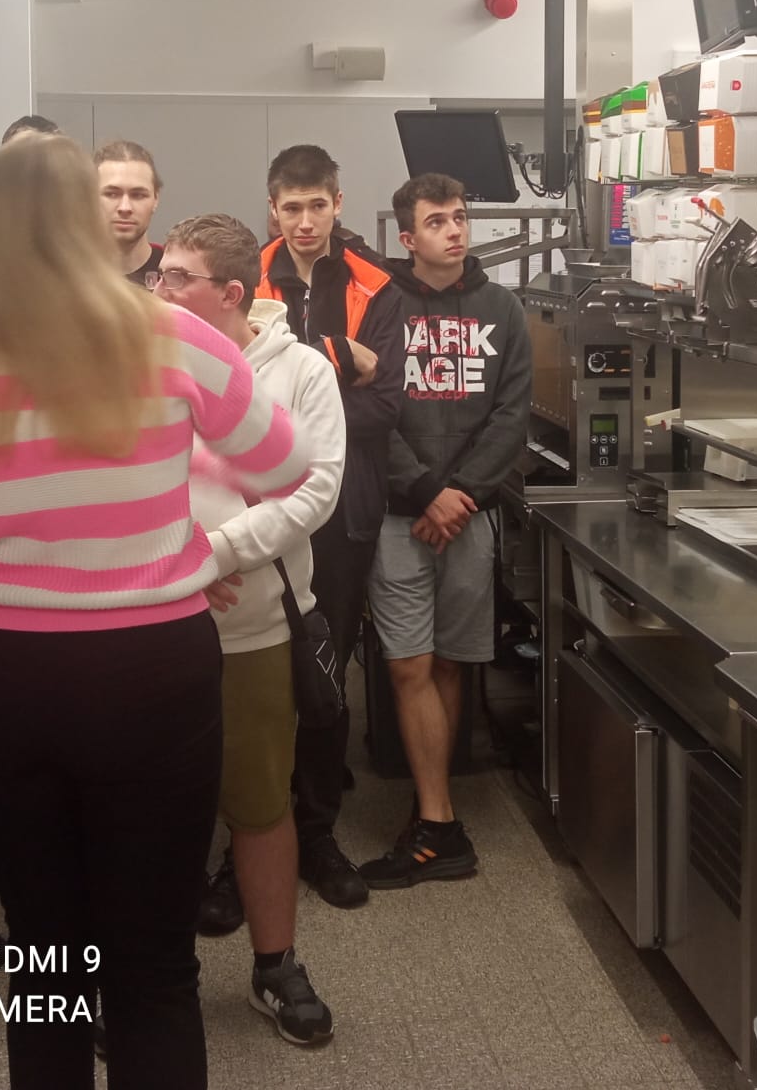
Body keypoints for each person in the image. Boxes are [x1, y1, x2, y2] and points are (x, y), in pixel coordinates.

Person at [0, 135, 315, 1090]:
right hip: (156, 669)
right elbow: (286, 463)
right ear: (86, 219)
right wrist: (181, 520)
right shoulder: (173, 336)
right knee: (154, 964)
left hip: (4, 674)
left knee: (45, 960)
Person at [153, 215, 343, 1047]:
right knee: (153, 811)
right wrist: (174, 557)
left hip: (255, 626)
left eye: (177, 277)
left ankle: (276, 966)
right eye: (159, 274)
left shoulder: (301, 372)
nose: (158, 290)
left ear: (231, 293)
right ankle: (157, 975)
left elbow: (316, 489)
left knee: (262, 804)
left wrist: (217, 552)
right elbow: (117, 473)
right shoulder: (143, 365)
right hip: (152, 619)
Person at [359, 173, 531, 889]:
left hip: (469, 516)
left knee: (452, 664)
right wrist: (427, 492)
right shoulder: (381, 306)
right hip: (401, 516)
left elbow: (512, 413)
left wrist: (460, 496)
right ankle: (437, 820)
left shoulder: (503, 308)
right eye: (437, 222)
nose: (454, 230)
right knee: (408, 665)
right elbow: (370, 411)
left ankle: (437, 810)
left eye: (460, 217)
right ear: (408, 237)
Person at [242, 144, 403, 911]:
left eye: (317, 206)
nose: (304, 222)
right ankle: (247, 837)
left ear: (338, 203)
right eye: (290, 207)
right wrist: (337, 355)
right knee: (255, 675)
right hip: (252, 505)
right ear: (272, 208)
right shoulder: (245, 276)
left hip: (343, 509)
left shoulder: (377, 283)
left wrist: (296, 410)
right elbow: (233, 393)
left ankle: (316, 831)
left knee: (326, 673)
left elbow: (388, 404)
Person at [96, 139, 165, 287]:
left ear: (156, 199)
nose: (125, 207)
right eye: (112, 194)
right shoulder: (64, 277)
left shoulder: (176, 278)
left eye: (138, 195)